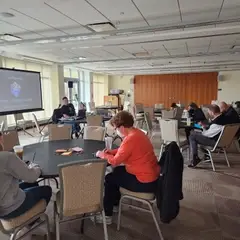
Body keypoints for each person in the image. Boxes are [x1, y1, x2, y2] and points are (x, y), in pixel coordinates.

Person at [95, 111, 160, 224]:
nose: (116, 131)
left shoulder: (130, 139)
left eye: (116, 128)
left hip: (143, 182)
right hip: (152, 176)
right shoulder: (137, 133)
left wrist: (102, 154)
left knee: (110, 178)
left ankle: (107, 216)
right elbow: (124, 151)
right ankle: (114, 204)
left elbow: (115, 161)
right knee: (118, 172)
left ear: (122, 127)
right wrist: (111, 151)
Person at [0, 146, 52, 221]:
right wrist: (37, 167)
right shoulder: (7, 157)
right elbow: (31, 177)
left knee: (32, 183)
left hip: (2, 206)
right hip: (10, 208)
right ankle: (31, 219)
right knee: (47, 189)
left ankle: (32, 218)